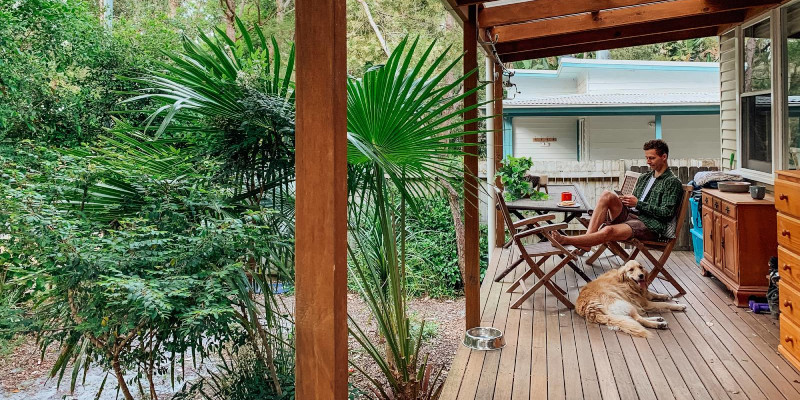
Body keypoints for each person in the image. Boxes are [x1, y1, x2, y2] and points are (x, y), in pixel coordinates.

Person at [553, 139, 683, 251]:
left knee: (608, 231)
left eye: (652, 158)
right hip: (633, 215)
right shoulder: (645, 177)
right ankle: (588, 241)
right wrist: (626, 200)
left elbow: (666, 214)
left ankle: (566, 239)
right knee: (607, 195)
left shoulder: (672, 182)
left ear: (664, 157)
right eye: (646, 157)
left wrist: (638, 203)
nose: (648, 161)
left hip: (651, 226)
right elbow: (635, 202)